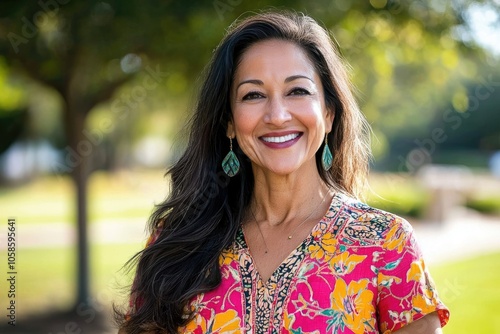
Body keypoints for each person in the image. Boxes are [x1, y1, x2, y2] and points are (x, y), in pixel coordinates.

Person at [117, 11, 449, 334]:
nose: (277, 115)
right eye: (253, 95)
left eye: (297, 91)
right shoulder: (176, 241)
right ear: (229, 123)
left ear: (329, 113)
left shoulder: (386, 245)